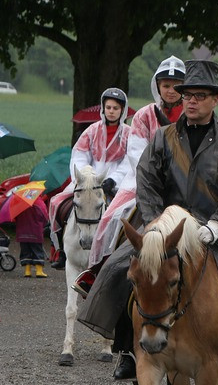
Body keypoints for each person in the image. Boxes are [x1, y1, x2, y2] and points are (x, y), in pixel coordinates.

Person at [78, 59, 218, 385]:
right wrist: (155, 222)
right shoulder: (162, 138)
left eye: (200, 95)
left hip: (216, 224)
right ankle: (128, 351)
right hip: (167, 221)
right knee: (120, 267)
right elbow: (146, 180)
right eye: (187, 94)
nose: (190, 100)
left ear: (215, 100)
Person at [73, 57, 183, 300]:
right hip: (145, 181)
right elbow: (137, 154)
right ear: (158, 86)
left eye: (176, 85)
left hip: (189, 183)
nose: (171, 90)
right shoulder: (144, 116)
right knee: (111, 218)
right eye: (166, 85)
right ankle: (96, 273)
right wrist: (161, 178)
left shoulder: (192, 113)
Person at [48, 87, 131, 269]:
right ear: (103, 108)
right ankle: (62, 250)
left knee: (125, 213)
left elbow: (129, 160)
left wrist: (113, 179)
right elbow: (79, 154)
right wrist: (84, 176)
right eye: (108, 107)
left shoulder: (128, 133)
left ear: (122, 110)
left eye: (116, 108)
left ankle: (118, 252)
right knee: (56, 202)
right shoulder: (91, 131)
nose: (111, 111)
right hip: (87, 180)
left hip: (115, 183)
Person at [16, 196, 49, 278]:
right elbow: (45, 216)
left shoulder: (20, 203)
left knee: (25, 251)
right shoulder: (39, 203)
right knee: (37, 250)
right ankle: (39, 271)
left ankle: (27, 271)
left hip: (22, 233)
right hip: (35, 232)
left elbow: (15, 218)